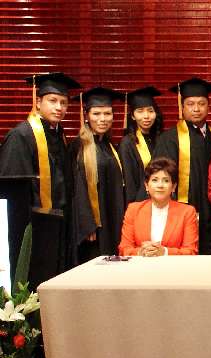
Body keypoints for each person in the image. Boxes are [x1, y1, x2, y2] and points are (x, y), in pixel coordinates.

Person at [0, 72, 81, 287]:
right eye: (52, 101)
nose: (59, 107)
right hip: (32, 227)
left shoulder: (58, 134)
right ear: (38, 102)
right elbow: (13, 191)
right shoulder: (21, 135)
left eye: (63, 102)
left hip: (57, 225)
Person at [154, 77, 211, 255]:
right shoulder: (169, 139)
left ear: (208, 106)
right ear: (182, 106)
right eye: (190, 104)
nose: (196, 109)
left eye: (201, 103)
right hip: (181, 211)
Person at [70, 86, 126, 263]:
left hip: (111, 220)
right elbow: (76, 188)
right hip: (93, 228)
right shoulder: (78, 147)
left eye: (107, 113)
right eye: (96, 113)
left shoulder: (109, 145)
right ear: (86, 115)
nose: (103, 119)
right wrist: (87, 225)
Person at [118, 157, 198, 256]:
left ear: (173, 187)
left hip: (174, 268)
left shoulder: (187, 212)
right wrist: (140, 252)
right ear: (146, 185)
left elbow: (191, 251)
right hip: (140, 267)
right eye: (155, 180)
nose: (160, 185)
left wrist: (165, 252)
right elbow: (124, 249)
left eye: (166, 180)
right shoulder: (133, 210)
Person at [119, 86, 164, 205]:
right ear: (133, 116)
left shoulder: (163, 139)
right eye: (140, 111)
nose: (146, 116)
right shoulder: (127, 144)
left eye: (150, 110)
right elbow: (130, 184)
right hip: (140, 204)